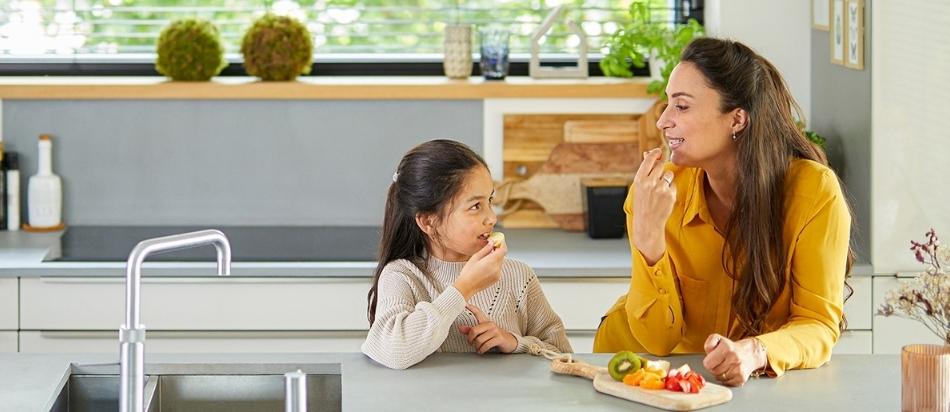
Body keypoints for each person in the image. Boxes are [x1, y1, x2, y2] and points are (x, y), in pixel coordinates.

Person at [593, 38, 853, 386]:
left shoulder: (813, 193)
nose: (663, 122)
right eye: (667, 104)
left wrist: (755, 351)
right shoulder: (655, 194)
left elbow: (818, 324)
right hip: (638, 370)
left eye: (681, 107)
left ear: (737, 119)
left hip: (739, 383)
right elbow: (657, 341)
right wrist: (648, 236)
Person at [362, 139, 572, 369]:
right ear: (428, 221)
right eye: (475, 206)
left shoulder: (518, 276)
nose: (492, 217)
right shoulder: (402, 276)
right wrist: (464, 288)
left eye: (490, 200)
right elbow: (394, 351)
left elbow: (563, 356)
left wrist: (515, 343)